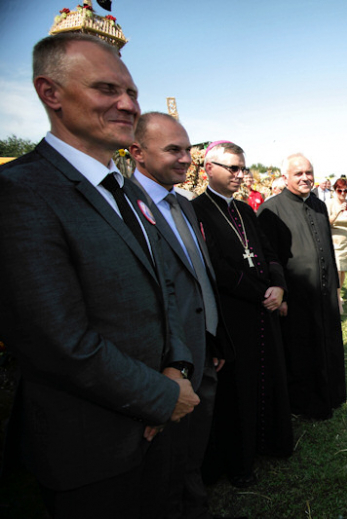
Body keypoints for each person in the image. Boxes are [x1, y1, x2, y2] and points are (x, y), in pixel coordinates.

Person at [0, 33, 199, 518]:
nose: (127, 104)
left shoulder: (129, 192)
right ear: (51, 93)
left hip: (158, 423)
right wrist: (160, 396)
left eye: (131, 93)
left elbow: (163, 287)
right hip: (90, 445)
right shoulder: (21, 191)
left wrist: (175, 367)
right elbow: (56, 340)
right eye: (107, 90)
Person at [128, 112, 228, 517]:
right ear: (137, 152)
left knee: (192, 449)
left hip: (202, 348)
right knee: (162, 461)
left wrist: (214, 334)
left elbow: (199, 277)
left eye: (188, 149)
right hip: (164, 363)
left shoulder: (183, 205)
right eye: (174, 149)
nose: (187, 159)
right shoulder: (125, 207)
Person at [192, 141, 293, 488]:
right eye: (232, 168)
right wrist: (260, 292)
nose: (240, 175)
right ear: (209, 169)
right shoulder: (197, 211)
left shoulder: (246, 211)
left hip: (264, 309)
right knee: (239, 391)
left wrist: (278, 286)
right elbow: (214, 267)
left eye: (242, 168)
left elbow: (268, 252)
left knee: (268, 378)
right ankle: (239, 462)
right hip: (233, 316)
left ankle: (269, 444)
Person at [257, 153, 346, 420]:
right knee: (300, 351)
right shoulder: (271, 209)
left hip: (324, 292)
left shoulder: (318, 205)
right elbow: (267, 257)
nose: (306, 177)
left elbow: (328, 251)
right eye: (298, 174)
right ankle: (303, 404)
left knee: (327, 343)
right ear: (285, 177)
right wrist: (280, 295)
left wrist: (337, 291)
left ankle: (331, 394)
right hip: (295, 297)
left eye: (309, 172)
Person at [327, 177, 347, 314]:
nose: (342, 193)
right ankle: (337, 298)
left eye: (345, 190)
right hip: (333, 240)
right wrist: (337, 211)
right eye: (340, 190)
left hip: (346, 240)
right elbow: (326, 222)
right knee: (337, 269)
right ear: (335, 190)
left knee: (343, 270)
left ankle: (337, 293)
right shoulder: (329, 203)